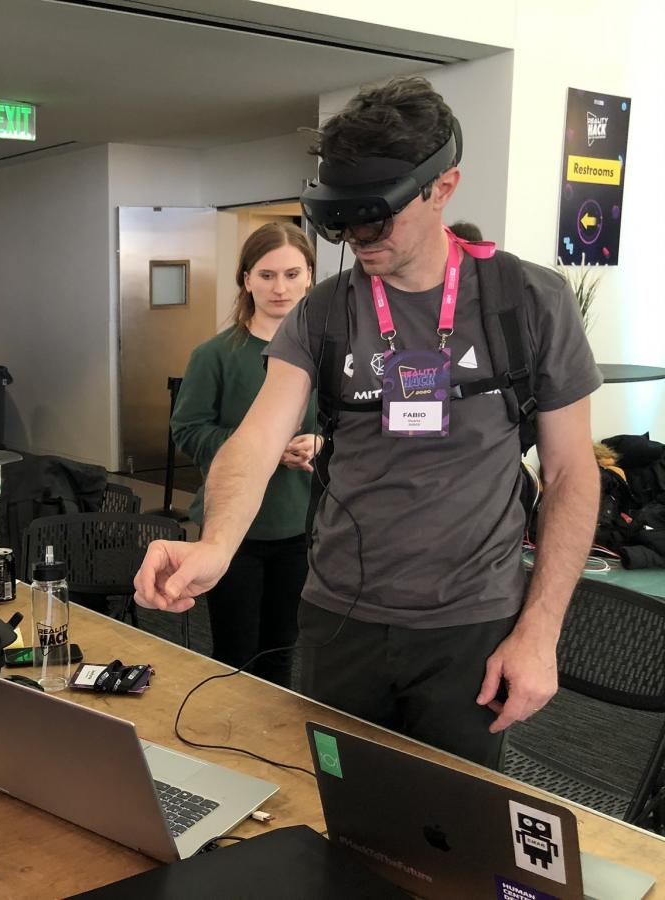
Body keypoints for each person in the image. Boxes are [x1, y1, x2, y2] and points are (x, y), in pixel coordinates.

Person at [133, 76, 600, 767]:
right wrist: (216, 543)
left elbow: (569, 473)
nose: (357, 238)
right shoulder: (324, 314)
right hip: (339, 618)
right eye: (341, 220)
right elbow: (257, 438)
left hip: (471, 623)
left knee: (451, 831)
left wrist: (540, 631)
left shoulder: (528, 302)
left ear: (442, 189)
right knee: (341, 809)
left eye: (375, 218)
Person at [170, 223, 319, 685]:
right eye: (268, 275)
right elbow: (189, 431)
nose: (281, 288)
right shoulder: (215, 355)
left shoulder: (325, 355)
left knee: (281, 651)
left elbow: (348, 426)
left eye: (292, 274)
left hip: (302, 527)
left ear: (310, 277)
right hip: (234, 531)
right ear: (246, 279)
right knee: (234, 653)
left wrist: (322, 443)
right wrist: (262, 450)